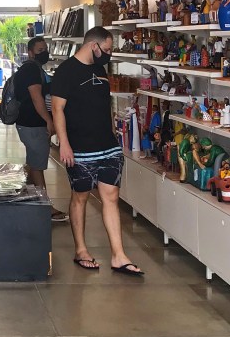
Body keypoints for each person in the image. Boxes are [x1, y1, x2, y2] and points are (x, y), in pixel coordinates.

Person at [52, 26, 143, 276]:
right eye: (108, 49)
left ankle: (118, 255)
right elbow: (58, 110)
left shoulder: (100, 70)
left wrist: (114, 136)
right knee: (80, 196)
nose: (109, 54)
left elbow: (105, 106)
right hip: (80, 148)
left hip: (108, 146)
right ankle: (81, 250)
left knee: (111, 196)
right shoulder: (66, 71)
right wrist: (64, 143)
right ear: (94, 46)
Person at [14, 36, 67, 222]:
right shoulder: (31, 70)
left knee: (33, 162)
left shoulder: (35, 69)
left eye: (45, 49)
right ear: (30, 53)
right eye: (40, 50)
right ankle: (46, 207)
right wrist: (49, 120)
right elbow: (36, 97)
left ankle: (28, 199)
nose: (44, 53)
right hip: (33, 123)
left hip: (30, 123)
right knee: (37, 166)